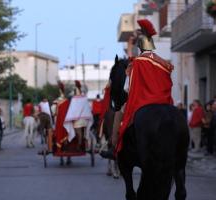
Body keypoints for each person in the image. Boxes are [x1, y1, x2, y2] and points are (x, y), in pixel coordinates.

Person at [106, 19, 174, 158]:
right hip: (164, 102)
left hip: (143, 102)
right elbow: (168, 85)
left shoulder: (136, 63)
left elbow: (127, 88)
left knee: (119, 112)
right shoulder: (163, 63)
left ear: (140, 47)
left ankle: (114, 146)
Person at [63, 80, 93, 147]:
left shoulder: (74, 99)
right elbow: (88, 108)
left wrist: (71, 117)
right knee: (84, 131)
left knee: (77, 131)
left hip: (78, 120)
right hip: (85, 119)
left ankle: (79, 144)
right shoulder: (84, 98)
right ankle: (84, 142)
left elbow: (72, 110)